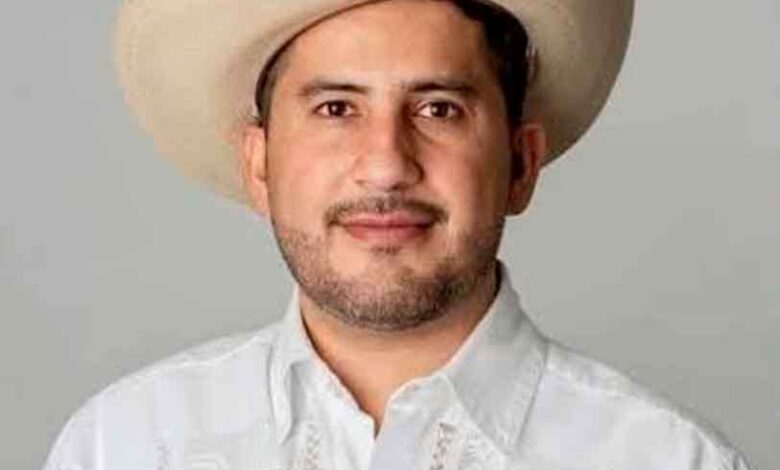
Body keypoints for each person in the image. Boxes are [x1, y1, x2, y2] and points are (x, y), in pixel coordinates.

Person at [45, 0, 751, 469]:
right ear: (260, 166)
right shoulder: (123, 447)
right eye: (335, 108)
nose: (386, 163)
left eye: (438, 109)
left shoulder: (670, 459)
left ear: (520, 164)